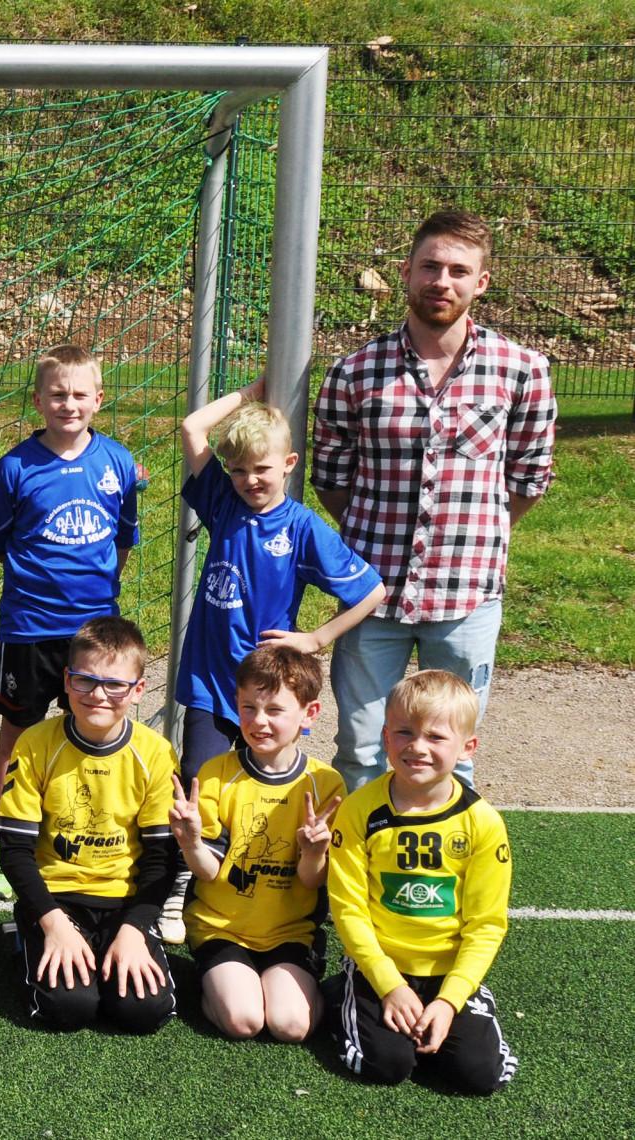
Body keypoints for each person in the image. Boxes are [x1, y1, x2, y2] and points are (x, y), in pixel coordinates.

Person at [312, 209, 557, 791]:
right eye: (430, 267)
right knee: (361, 747)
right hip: (370, 595)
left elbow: (528, 478)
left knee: (453, 752)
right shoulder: (355, 373)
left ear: (481, 282)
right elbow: (331, 477)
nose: (441, 281)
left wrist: (477, 534)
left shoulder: (522, 371)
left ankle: (445, 847)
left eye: (458, 271)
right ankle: (362, 846)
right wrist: (374, 532)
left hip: (467, 593)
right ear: (406, 272)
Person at [161, 379, 383, 942]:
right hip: (212, 682)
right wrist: (252, 392)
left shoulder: (303, 526)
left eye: (261, 469)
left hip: (267, 690)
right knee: (199, 781)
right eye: (238, 470)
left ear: (288, 464)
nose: (249, 480)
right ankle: (184, 884)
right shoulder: (222, 502)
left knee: (267, 791)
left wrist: (317, 638)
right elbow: (192, 426)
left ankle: (282, 885)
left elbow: (372, 591)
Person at [0, 345, 142, 901]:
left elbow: (122, 539)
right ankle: (1, 841)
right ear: (38, 401)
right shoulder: (15, 467)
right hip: (29, 627)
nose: (68, 404)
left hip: (94, 634)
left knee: (91, 731)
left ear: (99, 399)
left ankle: (78, 832)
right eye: (57, 394)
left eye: (79, 394)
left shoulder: (117, 463)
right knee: (17, 734)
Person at [327, 670, 516, 1093]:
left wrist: (449, 1001)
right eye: (404, 732)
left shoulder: (482, 823)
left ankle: (463, 1005)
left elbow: (486, 924)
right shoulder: (359, 811)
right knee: (387, 1064)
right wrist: (389, 985)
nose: (417, 747)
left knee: (479, 1075)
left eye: (436, 737)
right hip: (380, 964)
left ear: (467, 747)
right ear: (385, 736)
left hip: (449, 972)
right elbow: (348, 908)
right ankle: (345, 993)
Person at [0, 617, 178, 1034]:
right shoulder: (35, 743)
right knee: (69, 1008)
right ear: (66, 680)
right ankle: (25, 935)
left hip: (124, 903)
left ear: (138, 690)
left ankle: (117, 945)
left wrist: (135, 928)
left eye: (115, 685)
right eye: (85, 680)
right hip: (56, 900)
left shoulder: (156, 753)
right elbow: (15, 851)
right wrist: (53, 923)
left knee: (142, 1011)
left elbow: (162, 858)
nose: (98, 695)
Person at [167, 646, 346, 1042]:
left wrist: (314, 852)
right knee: (243, 1020)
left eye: (275, 710)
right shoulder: (216, 774)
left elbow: (312, 881)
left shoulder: (326, 784)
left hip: (290, 932)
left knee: (291, 1026)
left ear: (309, 714)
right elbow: (208, 871)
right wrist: (191, 841)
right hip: (222, 927)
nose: (259, 721)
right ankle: (213, 984)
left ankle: (314, 989)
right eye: (248, 707)